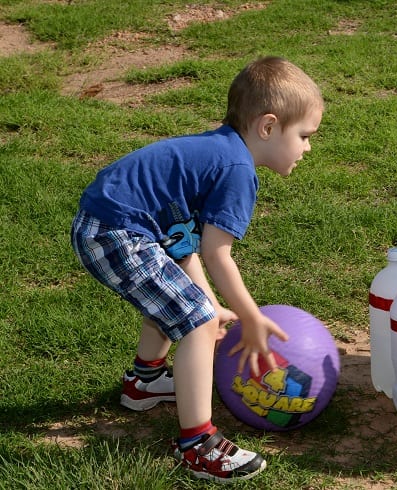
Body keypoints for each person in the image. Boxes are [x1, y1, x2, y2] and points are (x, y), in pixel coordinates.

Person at [70, 56, 324, 483]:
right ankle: (197, 445)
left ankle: (144, 384)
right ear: (268, 126)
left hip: (113, 224)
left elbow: (182, 244)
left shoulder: (220, 149)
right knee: (194, 322)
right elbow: (217, 252)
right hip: (114, 233)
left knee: (186, 309)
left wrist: (206, 303)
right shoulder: (238, 169)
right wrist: (248, 315)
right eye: (304, 135)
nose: (308, 147)